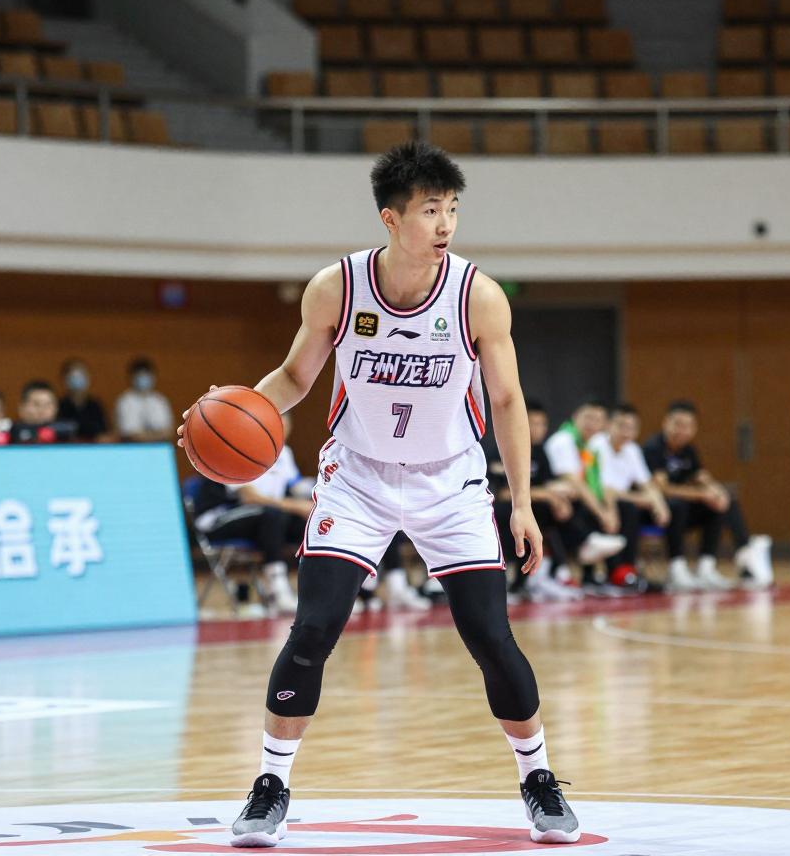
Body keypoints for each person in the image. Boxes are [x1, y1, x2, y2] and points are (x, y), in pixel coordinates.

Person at [179, 142, 580, 846]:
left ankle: (537, 776)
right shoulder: (337, 287)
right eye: (430, 210)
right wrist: (234, 409)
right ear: (391, 219)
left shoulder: (477, 296)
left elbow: (508, 401)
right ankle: (270, 785)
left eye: (452, 208)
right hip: (358, 477)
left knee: (490, 636)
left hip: (450, 480)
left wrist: (520, 502)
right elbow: (294, 378)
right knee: (313, 629)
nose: (445, 223)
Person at [495, 400, 623, 602]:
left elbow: (547, 483)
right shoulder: (500, 447)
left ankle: (555, 572)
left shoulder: (539, 451)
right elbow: (501, 492)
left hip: (532, 506)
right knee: (544, 509)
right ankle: (574, 553)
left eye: (542, 424)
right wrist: (549, 495)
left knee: (565, 504)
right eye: (532, 423)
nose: (538, 429)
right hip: (504, 509)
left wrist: (559, 494)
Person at [642, 400, 773, 591]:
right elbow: (662, 489)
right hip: (655, 512)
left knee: (720, 502)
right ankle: (677, 568)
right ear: (665, 423)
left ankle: (719, 561)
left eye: (688, 426)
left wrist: (717, 492)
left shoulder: (689, 451)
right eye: (678, 424)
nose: (682, 430)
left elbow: (703, 477)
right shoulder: (653, 448)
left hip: (681, 513)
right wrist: (701, 494)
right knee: (678, 504)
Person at [192, 412, 307, 615]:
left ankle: (324, 592)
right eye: (277, 428)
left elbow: (298, 487)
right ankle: (276, 592)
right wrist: (297, 506)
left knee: (309, 523)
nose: (281, 434)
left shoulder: (284, 453)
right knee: (273, 515)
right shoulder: (237, 449)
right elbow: (250, 498)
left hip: (263, 518)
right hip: (219, 518)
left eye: (285, 429)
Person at [591, 403, 679, 590]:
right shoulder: (596, 445)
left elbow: (646, 484)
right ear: (609, 425)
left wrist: (659, 504)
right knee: (627, 508)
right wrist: (640, 499)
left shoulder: (632, 450)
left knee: (673, 506)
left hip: (624, 503)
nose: (626, 433)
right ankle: (617, 571)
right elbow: (606, 491)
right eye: (621, 426)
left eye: (632, 428)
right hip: (597, 504)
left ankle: (673, 566)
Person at [543, 398, 627, 591]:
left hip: (576, 498)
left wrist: (609, 511)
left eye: (598, 420)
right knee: (580, 501)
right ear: (575, 417)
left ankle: (614, 572)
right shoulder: (563, 440)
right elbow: (576, 483)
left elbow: (601, 484)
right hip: (555, 499)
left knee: (622, 509)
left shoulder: (592, 446)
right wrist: (602, 513)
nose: (592, 424)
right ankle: (585, 544)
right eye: (588, 417)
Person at [116, 357, 174, 443]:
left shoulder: (160, 400)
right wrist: (156, 435)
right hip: (133, 448)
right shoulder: (125, 401)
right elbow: (129, 434)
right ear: (131, 377)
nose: (143, 378)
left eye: (146, 374)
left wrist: (145, 436)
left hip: (159, 448)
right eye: (140, 375)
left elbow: (169, 432)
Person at [58, 358, 110, 442]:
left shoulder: (95, 405)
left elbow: (104, 433)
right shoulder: (59, 405)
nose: (77, 379)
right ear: (65, 379)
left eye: (81, 375)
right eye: (73, 376)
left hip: (93, 447)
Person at [9, 380, 76, 444]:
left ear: (56, 408)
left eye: (48, 404)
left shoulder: (67, 433)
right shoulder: (10, 432)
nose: (42, 410)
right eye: (36, 404)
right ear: (21, 408)